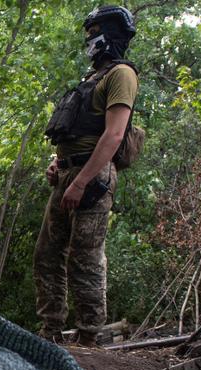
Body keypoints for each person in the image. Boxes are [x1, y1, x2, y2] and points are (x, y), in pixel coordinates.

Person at [34, 6, 139, 347]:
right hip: (68, 172)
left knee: (85, 256)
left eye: (94, 31)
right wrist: (57, 163)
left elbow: (113, 136)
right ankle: (50, 331)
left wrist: (81, 182)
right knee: (47, 254)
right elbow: (76, 131)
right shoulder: (92, 77)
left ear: (110, 34)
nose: (90, 39)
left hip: (93, 178)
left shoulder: (121, 75)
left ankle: (89, 337)